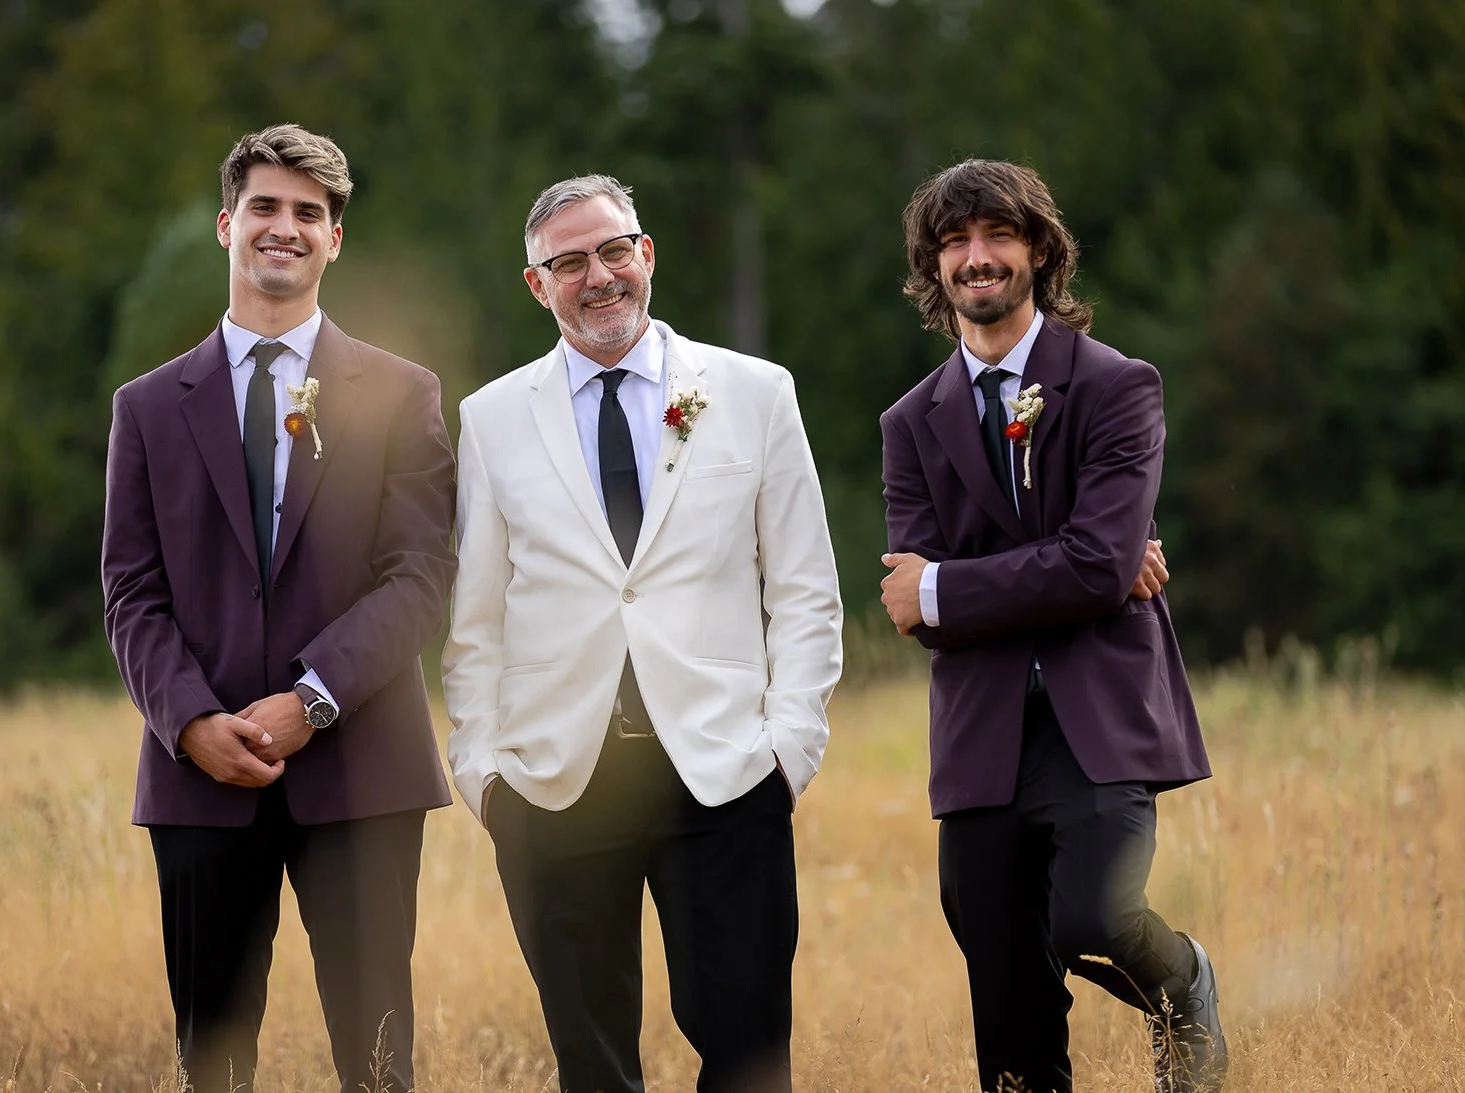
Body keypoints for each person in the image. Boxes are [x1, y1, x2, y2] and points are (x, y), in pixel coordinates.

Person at [442, 174, 842, 1093]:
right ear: (537, 284)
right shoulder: (492, 418)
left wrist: (789, 748)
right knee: (594, 1066)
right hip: (555, 782)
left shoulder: (754, 392)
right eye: (569, 261)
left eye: (614, 250)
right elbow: (477, 623)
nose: (599, 276)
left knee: (749, 1057)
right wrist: (485, 774)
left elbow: (807, 589)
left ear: (646, 254)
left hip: (725, 770)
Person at [101, 123, 456, 1093]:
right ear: (226, 224)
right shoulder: (145, 408)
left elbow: (420, 574)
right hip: (200, 781)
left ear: (335, 238)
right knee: (210, 1065)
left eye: (309, 212)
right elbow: (130, 591)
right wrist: (190, 721)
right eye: (264, 206)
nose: (284, 228)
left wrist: (313, 698)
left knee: (378, 1066)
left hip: (361, 774)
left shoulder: (402, 392)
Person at [878, 159, 1226, 1093]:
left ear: (1038, 249)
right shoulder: (910, 422)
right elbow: (912, 605)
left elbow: (1091, 565)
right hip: (981, 731)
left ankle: (1184, 980)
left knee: (1094, 920)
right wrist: (1079, 567)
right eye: (954, 242)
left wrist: (961, 586)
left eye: (996, 236)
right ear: (933, 266)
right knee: (1002, 980)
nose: (975, 258)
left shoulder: (1118, 387)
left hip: (1099, 716)